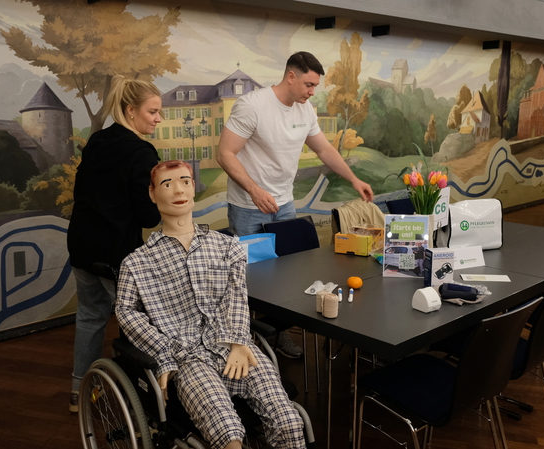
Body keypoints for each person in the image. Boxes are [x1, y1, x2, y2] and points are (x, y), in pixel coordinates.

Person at [116, 161, 305, 449]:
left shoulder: (226, 246)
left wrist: (239, 341)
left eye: (185, 181)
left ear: (193, 187)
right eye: (167, 184)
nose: (178, 190)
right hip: (187, 356)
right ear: (152, 194)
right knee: (228, 434)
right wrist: (164, 354)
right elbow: (126, 311)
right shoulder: (136, 262)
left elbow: (236, 296)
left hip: (234, 347)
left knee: (289, 422)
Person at [216, 51, 374, 358]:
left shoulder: (306, 110)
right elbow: (225, 153)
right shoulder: (252, 105)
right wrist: (254, 190)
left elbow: (324, 150)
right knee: (252, 281)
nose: (313, 92)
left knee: (287, 277)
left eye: (315, 86)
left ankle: (276, 335)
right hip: (247, 207)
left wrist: (354, 179)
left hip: (284, 204)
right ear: (291, 76)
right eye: (309, 84)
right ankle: (245, 343)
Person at [66, 75, 163, 412]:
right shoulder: (142, 153)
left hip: (81, 247)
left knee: (90, 316)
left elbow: (83, 194)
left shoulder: (97, 141)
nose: (158, 118)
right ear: (130, 110)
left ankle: (80, 392)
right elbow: (148, 217)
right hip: (115, 254)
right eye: (153, 111)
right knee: (138, 322)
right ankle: (142, 395)